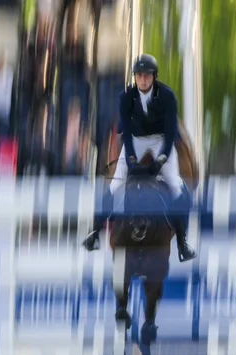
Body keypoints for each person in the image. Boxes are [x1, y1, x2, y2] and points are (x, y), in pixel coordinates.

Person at [82, 54, 196, 262]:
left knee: (179, 187)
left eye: (147, 76)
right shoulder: (127, 97)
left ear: (154, 77)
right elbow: (125, 131)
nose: (143, 80)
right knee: (113, 187)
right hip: (135, 142)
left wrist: (161, 160)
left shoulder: (167, 97)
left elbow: (170, 133)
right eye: (139, 76)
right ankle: (95, 233)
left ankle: (182, 243)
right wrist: (133, 161)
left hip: (161, 142)